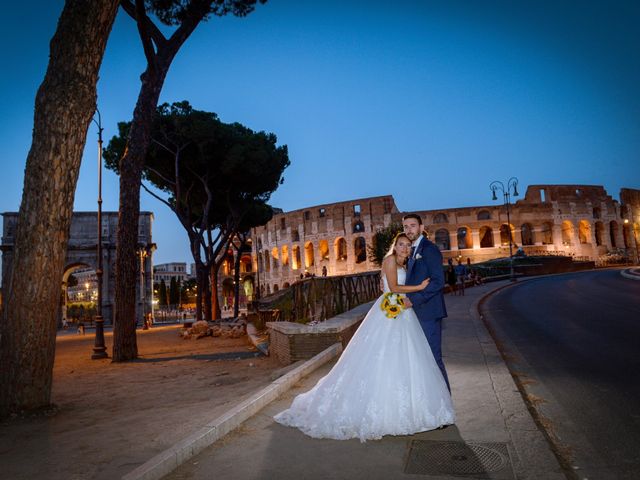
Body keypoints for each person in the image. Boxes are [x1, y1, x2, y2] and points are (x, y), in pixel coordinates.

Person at [274, 232, 454, 442]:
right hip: (388, 311)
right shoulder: (389, 261)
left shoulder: (406, 265)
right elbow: (394, 288)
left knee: (407, 358)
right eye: (401, 245)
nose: (404, 248)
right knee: (381, 356)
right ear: (395, 247)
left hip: (403, 312)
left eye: (407, 245)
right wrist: (420, 287)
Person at [402, 214, 451, 390]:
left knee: (433, 357)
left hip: (428, 312)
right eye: (405, 227)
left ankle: (445, 399)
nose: (409, 230)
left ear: (421, 228)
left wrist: (414, 300)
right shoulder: (410, 251)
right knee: (421, 358)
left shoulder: (429, 249)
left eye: (412, 225)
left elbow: (438, 281)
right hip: (416, 313)